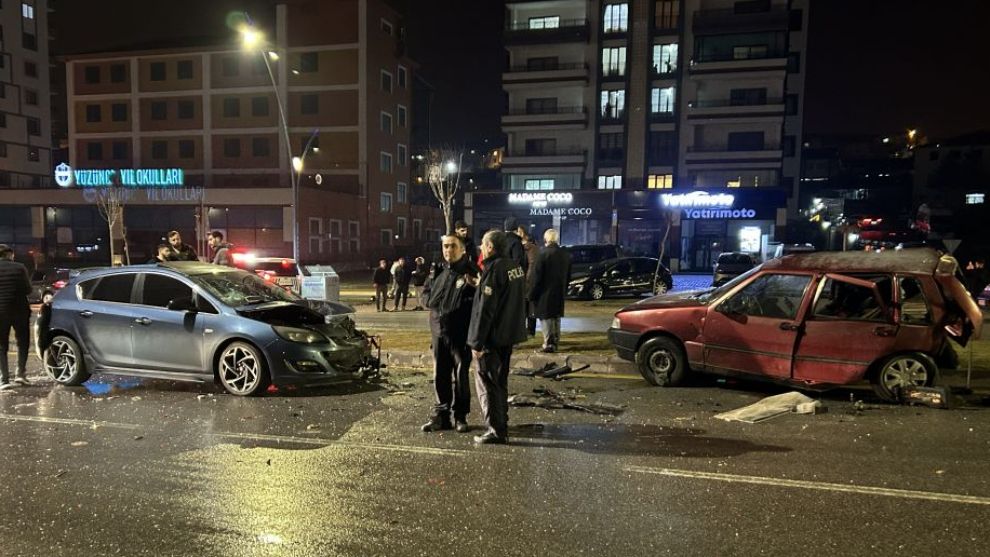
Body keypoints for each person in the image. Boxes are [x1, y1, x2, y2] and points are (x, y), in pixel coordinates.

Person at [467, 230, 527, 444]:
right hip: (508, 336)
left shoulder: (493, 270)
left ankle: (495, 429)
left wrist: (477, 342)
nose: (481, 248)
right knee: (500, 382)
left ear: (490, 246)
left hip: (492, 339)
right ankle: (502, 423)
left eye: (483, 244)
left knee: (488, 384)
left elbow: (486, 310)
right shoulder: (514, 268)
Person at [422, 235, 480, 433]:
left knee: (460, 375)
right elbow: (426, 296)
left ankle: (460, 416)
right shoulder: (438, 270)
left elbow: (478, 305)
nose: (448, 250)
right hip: (438, 331)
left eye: (452, 246)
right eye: (445, 246)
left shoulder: (471, 272)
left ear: (462, 249)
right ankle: (441, 415)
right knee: (440, 374)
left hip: (460, 333)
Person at [528, 228, 571, 353]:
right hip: (559, 291)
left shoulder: (543, 254)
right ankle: (556, 342)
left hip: (545, 292)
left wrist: (531, 294)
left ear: (546, 239)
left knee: (546, 318)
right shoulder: (565, 254)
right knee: (556, 317)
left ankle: (548, 344)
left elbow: (537, 277)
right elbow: (568, 275)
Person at [0, 244, 32, 389]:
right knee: (22, 342)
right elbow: (28, 289)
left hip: (1, 311)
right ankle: (20, 374)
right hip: (19, 310)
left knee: (2, 345)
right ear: (9, 254)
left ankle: (4, 379)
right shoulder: (19, 268)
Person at [521, 228, 540, 336]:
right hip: (532, 282)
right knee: (531, 307)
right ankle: (530, 330)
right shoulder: (536, 249)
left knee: (527, 306)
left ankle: (529, 330)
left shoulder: (529, 249)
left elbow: (531, 266)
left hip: (528, 282)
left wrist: (526, 280)